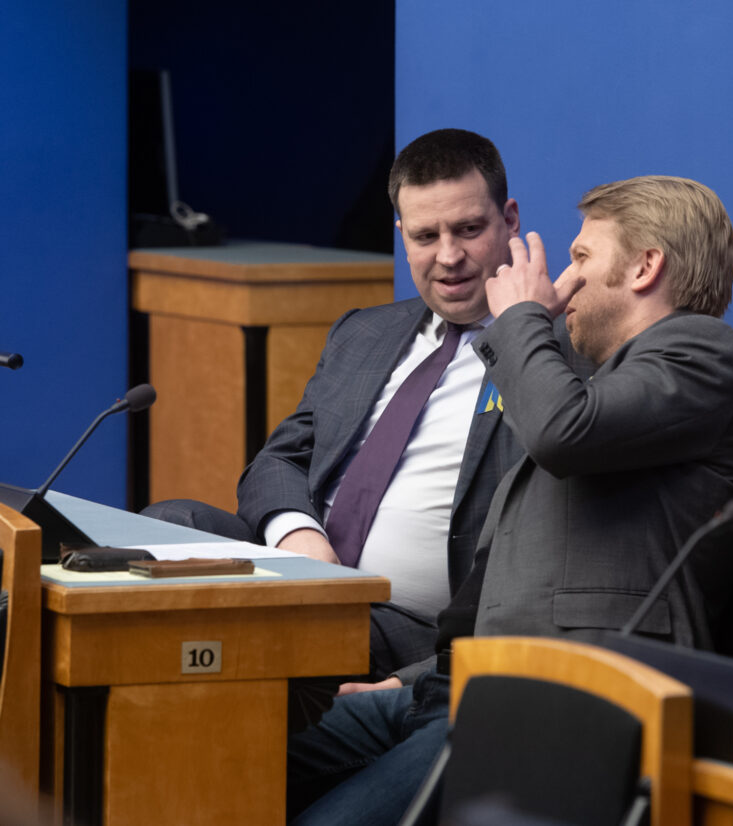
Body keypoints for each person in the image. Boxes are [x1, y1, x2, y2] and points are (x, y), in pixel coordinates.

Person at [287, 175, 733, 825]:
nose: (563, 282)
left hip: (563, 699)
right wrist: (412, 678)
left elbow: (558, 433)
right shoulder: (607, 391)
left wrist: (520, 316)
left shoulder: (702, 350)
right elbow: (516, 584)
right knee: (221, 750)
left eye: (581, 257)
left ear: (645, 267)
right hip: (458, 686)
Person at [143, 129, 578, 680]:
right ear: (402, 236)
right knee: (161, 530)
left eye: (469, 229)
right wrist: (300, 537)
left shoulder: (555, 355)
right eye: (426, 236)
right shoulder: (364, 331)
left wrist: (523, 328)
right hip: (303, 575)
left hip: (408, 626)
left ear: (509, 220)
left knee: (252, 646)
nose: (449, 257)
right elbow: (278, 460)